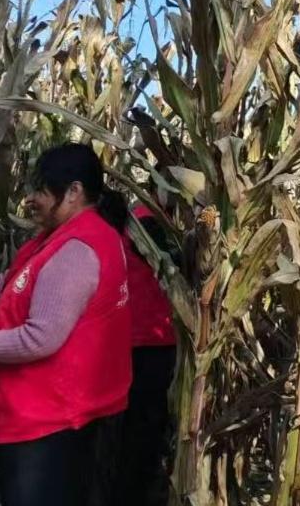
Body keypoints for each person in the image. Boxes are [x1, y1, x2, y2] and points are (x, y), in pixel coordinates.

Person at [0, 143, 133, 506]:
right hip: (49, 415)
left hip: (51, 424)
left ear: (74, 192)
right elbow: (10, 291)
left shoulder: (77, 252)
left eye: (41, 191)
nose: (30, 200)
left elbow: (40, 338)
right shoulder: (53, 239)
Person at [111, 201, 178, 505]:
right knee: (144, 429)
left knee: (135, 427)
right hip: (150, 342)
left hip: (136, 340)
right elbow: (171, 265)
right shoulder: (147, 222)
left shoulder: (137, 218)